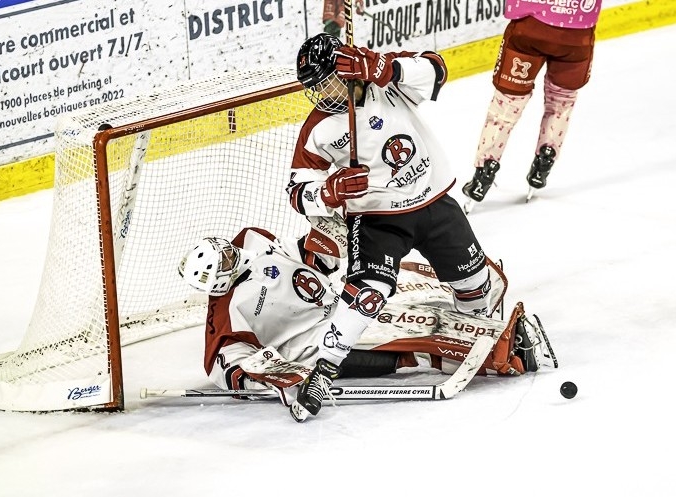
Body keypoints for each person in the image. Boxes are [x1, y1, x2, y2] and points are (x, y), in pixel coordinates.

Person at [286, 32, 500, 421]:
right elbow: (298, 192)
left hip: (434, 204)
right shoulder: (318, 128)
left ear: (344, 69)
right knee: (368, 293)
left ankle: (472, 330)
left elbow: (436, 70)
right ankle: (323, 370)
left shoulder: (387, 84)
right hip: (377, 220)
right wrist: (330, 191)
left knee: (474, 285)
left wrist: (382, 66)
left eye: (325, 80)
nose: (319, 92)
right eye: (312, 87)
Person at [178, 227, 555, 408]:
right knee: (408, 341)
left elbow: (302, 257)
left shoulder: (250, 241)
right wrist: (278, 379)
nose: (231, 257)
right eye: (224, 264)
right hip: (316, 342)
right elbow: (225, 362)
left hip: (335, 298)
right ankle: (507, 352)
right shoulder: (227, 310)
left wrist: (320, 242)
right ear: (217, 283)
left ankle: (480, 303)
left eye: (225, 252)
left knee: (402, 282)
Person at [462, 0, 602, 206]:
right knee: (561, 102)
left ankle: (484, 171)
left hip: (530, 29)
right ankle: (545, 160)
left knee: (506, 107)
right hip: (576, 35)